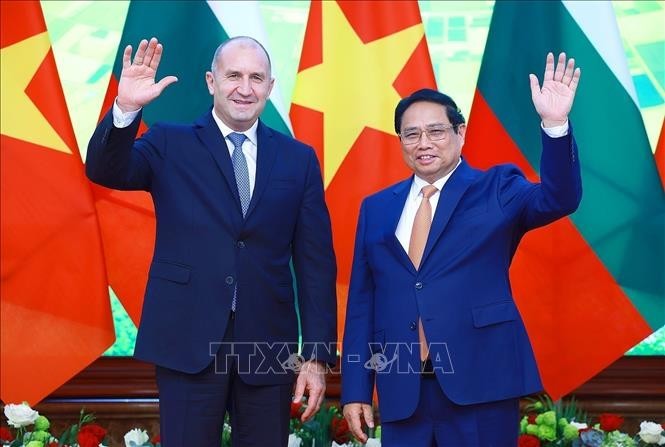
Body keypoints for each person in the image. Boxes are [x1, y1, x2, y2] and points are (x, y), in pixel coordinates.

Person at [86, 36, 337, 447]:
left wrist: (315, 355)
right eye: (233, 75)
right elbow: (105, 170)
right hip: (187, 339)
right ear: (210, 81)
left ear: (270, 87)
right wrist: (126, 108)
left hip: (267, 348)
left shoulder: (298, 159)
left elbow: (315, 265)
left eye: (256, 77)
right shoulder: (169, 142)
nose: (244, 87)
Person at [341, 52, 582, 446]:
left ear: (460, 133)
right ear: (400, 140)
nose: (424, 143)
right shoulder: (377, 208)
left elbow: (560, 198)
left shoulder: (497, 188)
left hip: (482, 385)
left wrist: (554, 125)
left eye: (436, 131)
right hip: (404, 394)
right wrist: (355, 389)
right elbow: (362, 305)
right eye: (411, 134)